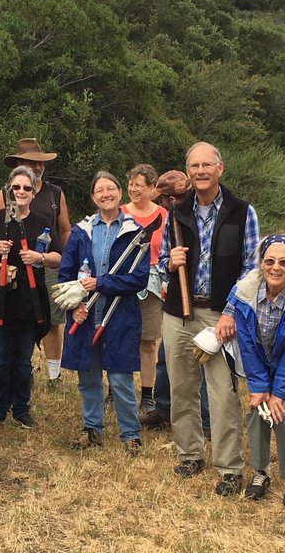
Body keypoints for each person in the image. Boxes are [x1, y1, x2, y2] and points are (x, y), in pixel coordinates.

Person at [159, 141, 259, 496]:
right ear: (188, 172)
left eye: (207, 165)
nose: (200, 172)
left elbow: (252, 270)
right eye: (194, 166)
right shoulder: (176, 212)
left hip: (220, 315)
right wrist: (170, 262)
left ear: (221, 168)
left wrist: (231, 312)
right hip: (178, 313)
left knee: (222, 392)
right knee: (182, 387)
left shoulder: (241, 212)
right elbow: (159, 264)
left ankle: (230, 468)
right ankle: (190, 454)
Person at [220, 235, 285, 505]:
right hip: (266, 360)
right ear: (261, 264)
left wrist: (278, 392)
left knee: (283, 413)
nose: (275, 268)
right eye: (269, 261)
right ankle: (260, 471)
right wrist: (259, 387)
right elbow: (246, 342)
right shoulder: (245, 293)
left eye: (283, 262)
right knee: (257, 410)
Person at [56, 171, 149, 455]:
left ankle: (130, 434)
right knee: (88, 375)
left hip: (120, 315)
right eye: (100, 190)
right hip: (86, 315)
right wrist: (75, 306)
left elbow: (139, 279)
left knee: (120, 377)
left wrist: (102, 283)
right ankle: (92, 429)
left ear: (119, 193)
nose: (106, 194)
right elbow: (66, 273)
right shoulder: (81, 231)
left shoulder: (136, 233)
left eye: (111, 188)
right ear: (93, 196)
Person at [0, 166, 61, 428]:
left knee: (22, 359)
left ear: (34, 193)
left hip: (28, 300)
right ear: (9, 190)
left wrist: (38, 257)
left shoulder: (41, 221)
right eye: (16, 187)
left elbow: (57, 257)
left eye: (27, 188)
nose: (21, 192)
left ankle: (21, 408)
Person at [0, 138, 72, 387]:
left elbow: (65, 229)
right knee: (17, 316)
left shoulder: (54, 193)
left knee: (53, 320)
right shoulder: (5, 192)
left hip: (47, 262)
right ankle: (21, 367)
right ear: (18, 164)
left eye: (39, 163)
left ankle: (54, 374)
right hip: (15, 265)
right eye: (29, 162)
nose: (36, 167)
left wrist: (67, 261)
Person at [121, 164, 168, 418]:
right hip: (121, 281)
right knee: (119, 337)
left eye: (139, 184)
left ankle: (148, 395)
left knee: (148, 341)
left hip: (151, 283)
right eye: (130, 184)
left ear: (152, 188)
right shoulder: (119, 213)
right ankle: (115, 389)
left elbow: (168, 251)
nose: (133, 189)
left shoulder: (164, 215)